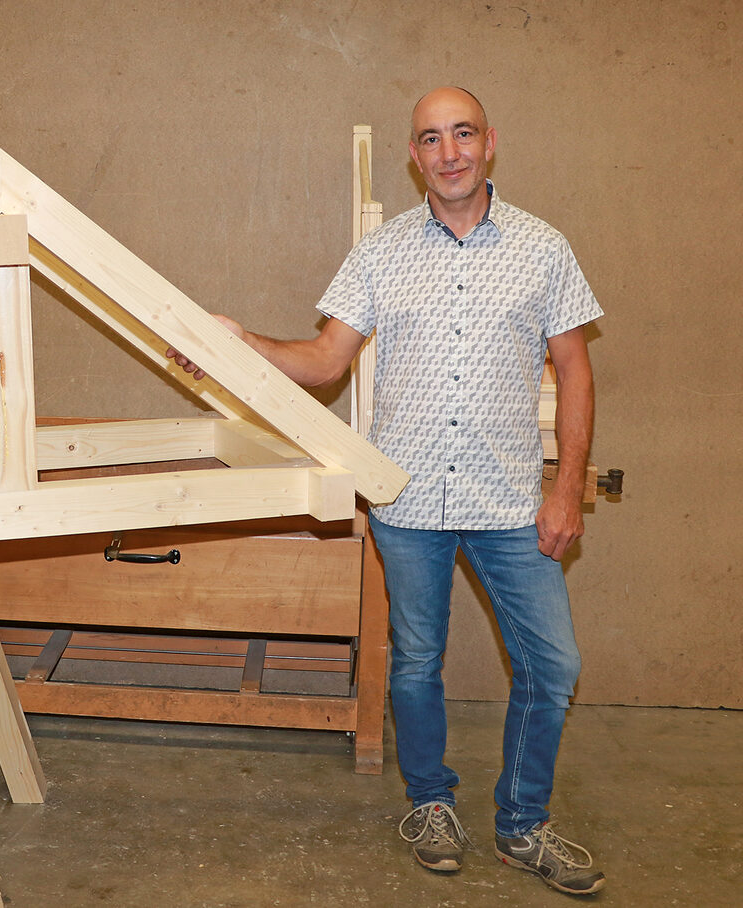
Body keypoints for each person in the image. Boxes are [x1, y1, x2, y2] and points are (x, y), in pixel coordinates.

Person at [168, 86, 604, 895]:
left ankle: (522, 823)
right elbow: (325, 361)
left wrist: (566, 489)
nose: (449, 153)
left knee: (555, 665)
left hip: (511, 502)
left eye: (462, 134)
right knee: (414, 666)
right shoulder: (383, 252)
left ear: (489, 142)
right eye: (431, 139)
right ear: (414, 155)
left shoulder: (545, 248)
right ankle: (432, 802)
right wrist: (237, 346)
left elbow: (576, 369)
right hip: (406, 502)